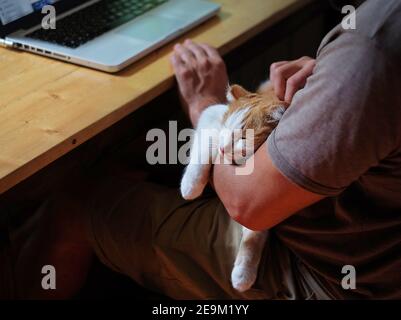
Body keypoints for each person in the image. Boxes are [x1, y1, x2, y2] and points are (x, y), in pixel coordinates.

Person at [10, 0, 401, 299]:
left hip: (331, 279)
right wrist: (335, 75)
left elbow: (247, 205)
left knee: (75, 202)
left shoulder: (373, 46)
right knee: (136, 160)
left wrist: (207, 105)